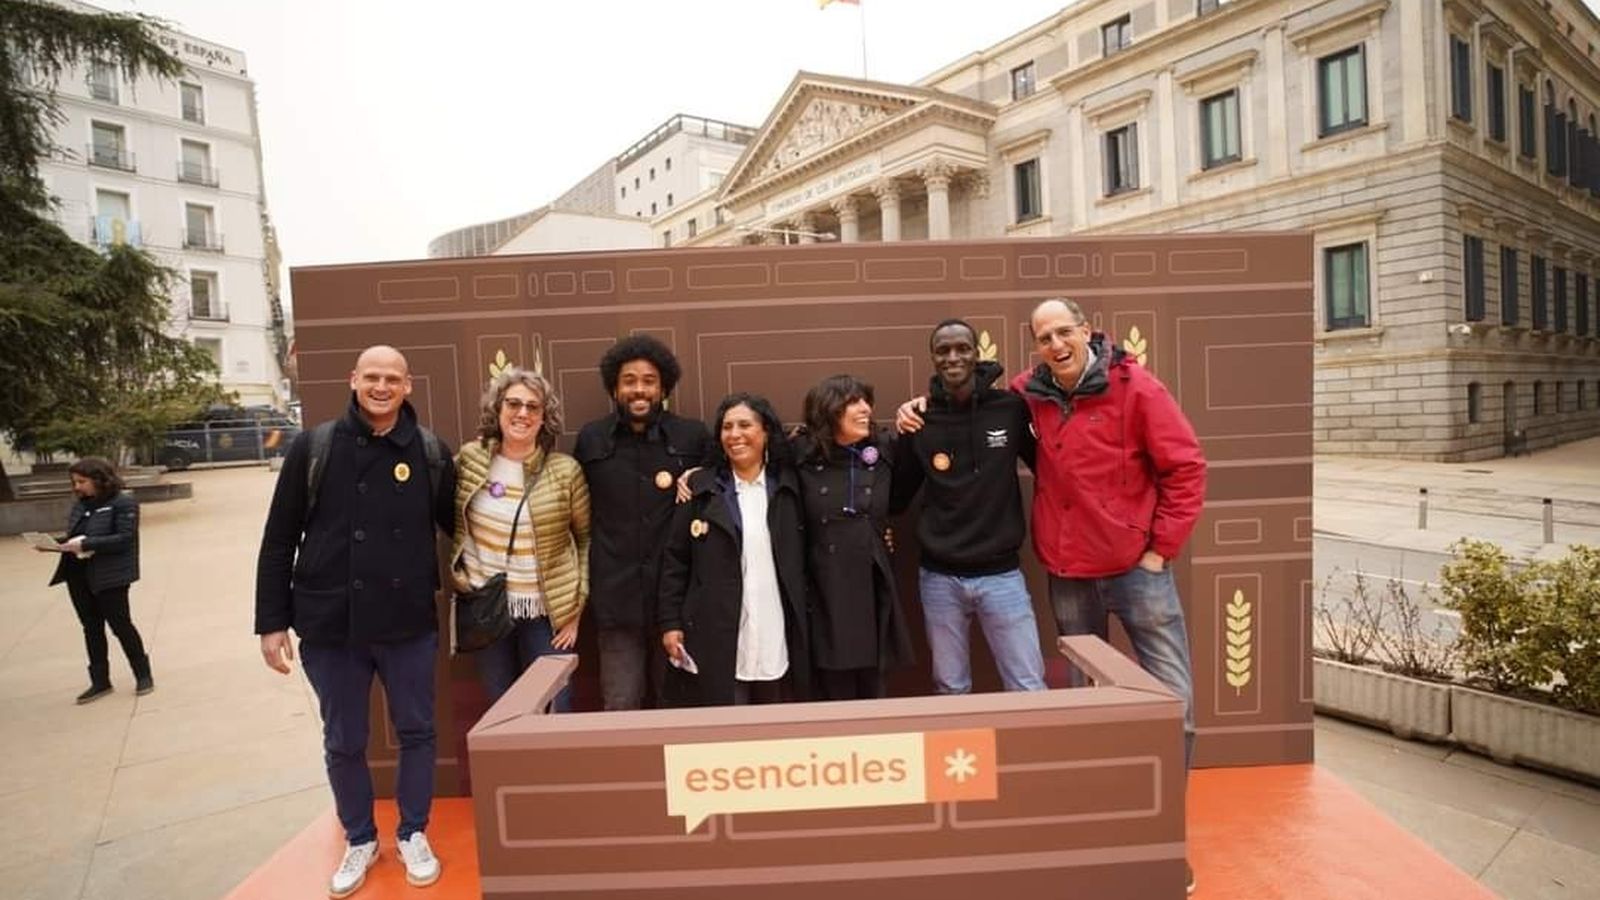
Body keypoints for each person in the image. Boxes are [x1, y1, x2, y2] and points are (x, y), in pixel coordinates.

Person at [1017, 298, 1206, 894]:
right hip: (1069, 570)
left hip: (1136, 569)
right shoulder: (1031, 392)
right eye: (1043, 337)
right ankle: (1094, 821)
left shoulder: (1138, 389)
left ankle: (1163, 829)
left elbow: (1186, 468)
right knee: (1082, 704)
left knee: (1172, 702)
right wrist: (923, 408)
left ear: (1087, 332)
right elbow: (976, 400)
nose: (1055, 343)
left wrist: (1160, 551)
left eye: (1063, 331)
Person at [255, 345, 455, 898]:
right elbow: (278, 538)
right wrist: (272, 622)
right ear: (354, 380)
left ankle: (413, 832)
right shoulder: (313, 447)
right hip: (330, 622)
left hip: (407, 620)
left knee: (417, 731)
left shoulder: (431, 452)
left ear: (408, 385)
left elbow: (463, 525)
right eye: (372, 376)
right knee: (343, 739)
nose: (382, 386)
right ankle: (360, 837)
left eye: (393, 378)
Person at [889, 320, 1047, 695]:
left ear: (977, 353)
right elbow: (897, 496)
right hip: (939, 579)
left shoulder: (1010, 409)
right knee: (950, 686)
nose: (953, 357)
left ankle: (1033, 752)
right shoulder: (919, 419)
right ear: (933, 358)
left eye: (962, 348)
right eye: (943, 351)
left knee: (1027, 684)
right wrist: (896, 434)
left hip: (1002, 576)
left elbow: (1049, 468)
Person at [574, 336, 711, 710]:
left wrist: (699, 474)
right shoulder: (591, 440)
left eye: (649, 380)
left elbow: (723, 490)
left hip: (679, 602)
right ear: (614, 388)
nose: (639, 389)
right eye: (629, 380)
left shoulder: (693, 437)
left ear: (663, 387)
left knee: (678, 706)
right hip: (616, 600)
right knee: (621, 705)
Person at [450, 368, 591, 711]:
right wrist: (463, 579)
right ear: (497, 409)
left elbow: (585, 541)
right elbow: (445, 520)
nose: (523, 413)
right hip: (488, 610)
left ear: (545, 418)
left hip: (548, 613)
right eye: (513, 403)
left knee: (557, 705)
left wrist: (576, 609)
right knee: (503, 711)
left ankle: (556, 768)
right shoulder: (469, 460)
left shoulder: (565, 470)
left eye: (534, 407)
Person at [657, 393, 810, 706]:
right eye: (727, 427)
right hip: (716, 632)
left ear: (766, 432)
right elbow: (676, 562)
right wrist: (670, 623)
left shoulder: (789, 487)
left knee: (773, 729)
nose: (734, 434)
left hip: (776, 628)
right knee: (724, 724)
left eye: (745, 425)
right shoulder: (701, 489)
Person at [794, 375, 913, 700]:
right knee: (833, 683)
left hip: (871, 577)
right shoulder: (798, 453)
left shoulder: (885, 447)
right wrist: (697, 473)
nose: (866, 409)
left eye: (865, 401)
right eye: (853, 402)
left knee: (874, 679)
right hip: (823, 584)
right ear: (828, 410)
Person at [42, 457, 152, 704]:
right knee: (91, 628)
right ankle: (100, 681)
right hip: (78, 574)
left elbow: (124, 538)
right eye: (74, 482)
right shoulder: (81, 505)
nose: (77, 487)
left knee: (121, 625)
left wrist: (87, 544)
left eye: (82, 481)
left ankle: (143, 674)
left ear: (100, 479)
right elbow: (77, 536)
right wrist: (57, 544)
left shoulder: (123, 503)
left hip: (110, 575)